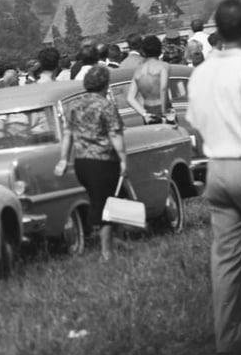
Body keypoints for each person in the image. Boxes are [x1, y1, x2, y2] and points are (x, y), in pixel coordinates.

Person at [186, 0, 241, 355]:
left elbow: (194, 122)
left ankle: (228, 344)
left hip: (216, 170)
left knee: (225, 261)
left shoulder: (203, 72)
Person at [54, 66, 128, 261]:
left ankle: (116, 239)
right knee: (105, 205)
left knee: (105, 199)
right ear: (105, 84)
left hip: (82, 162)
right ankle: (106, 252)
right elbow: (115, 134)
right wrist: (124, 160)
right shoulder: (106, 105)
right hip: (103, 160)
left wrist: (63, 159)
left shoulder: (74, 106)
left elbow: (68, 135)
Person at [126, 35, 171, 124]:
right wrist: (164, 114)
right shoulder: (163, 66)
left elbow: (130, 98)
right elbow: (163, 88)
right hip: (163, 107)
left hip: (148, 109)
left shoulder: (138, 71)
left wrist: (144, 113)